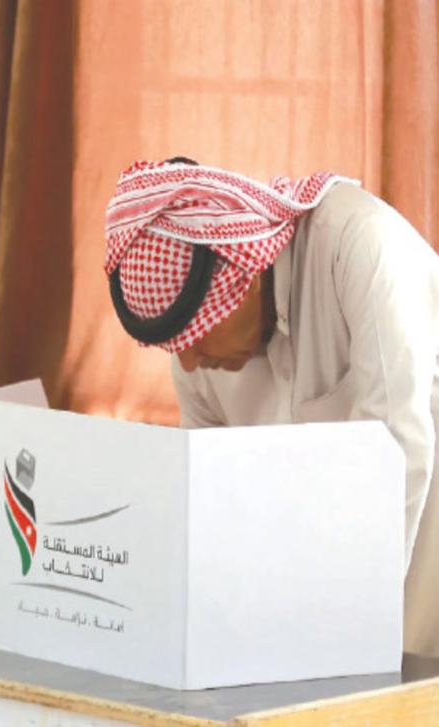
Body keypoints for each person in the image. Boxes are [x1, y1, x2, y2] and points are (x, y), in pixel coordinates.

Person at [104, 158, 439, 656]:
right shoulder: (198, 360)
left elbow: (397, 452)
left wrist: (345, 624)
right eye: (176, 345)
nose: (189, 363)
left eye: (195, 334)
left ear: (245, 272)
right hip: (317, 575)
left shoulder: (358, 244)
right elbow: (216, 505)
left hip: (418, 527)